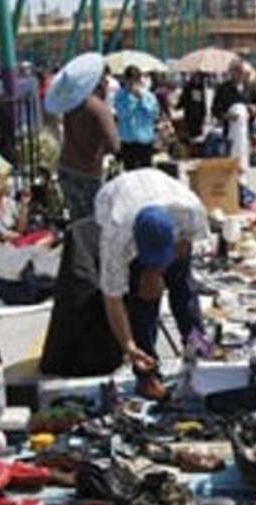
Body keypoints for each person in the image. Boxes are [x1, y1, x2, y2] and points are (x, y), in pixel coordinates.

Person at [94, 168, 209, 400]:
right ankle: (147, 372)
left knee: (183, 288)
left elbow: (185, 247)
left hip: (164, 199)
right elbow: (113, 298)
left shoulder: (190, 212)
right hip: (115, 199)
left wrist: (159, 271)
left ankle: (199, 346)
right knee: (143, 301)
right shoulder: (116, 237)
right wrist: (128, 345)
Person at [48, 54, 120, 222]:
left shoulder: (71, 105)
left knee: (77, 218)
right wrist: (100, 151)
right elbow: (115, 145)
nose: (108, 83)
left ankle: (78, 246)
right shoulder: (99, 108)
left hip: (66, 166)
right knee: (93, 220)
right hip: (88, 171)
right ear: (98, 83)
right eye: (105, 80)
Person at [114, 66, 159, 171]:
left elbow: (154, 114)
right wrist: (132, 100)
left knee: (146, 172)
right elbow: (122, 114)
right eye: (129, 82)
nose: (131, 85)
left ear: (139, 80)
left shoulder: (149, 96)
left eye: (134, 81)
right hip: (128, 140)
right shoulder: (120, 95)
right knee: (130, 173)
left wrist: (142, 99)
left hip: (145, 139)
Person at [211, 59, 256, 138]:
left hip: (247, 130)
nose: (239, 74)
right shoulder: (223, 89)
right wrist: (227, 116)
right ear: (231, 72)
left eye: (241, 71)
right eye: (236, 71)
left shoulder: (250, 87)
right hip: (230, 130)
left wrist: (255, 108)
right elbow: (215, 109)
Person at [177, 72, 208, 142]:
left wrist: (204, 114)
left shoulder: (201, 87)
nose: (197, 79)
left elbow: (203, 102)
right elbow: (183, 100)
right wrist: (177, 106)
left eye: (199, 77)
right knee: (191, 135)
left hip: (199, 116)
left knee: (198, 136)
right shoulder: (188, 87)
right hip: (190, 115)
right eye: (195, 76)